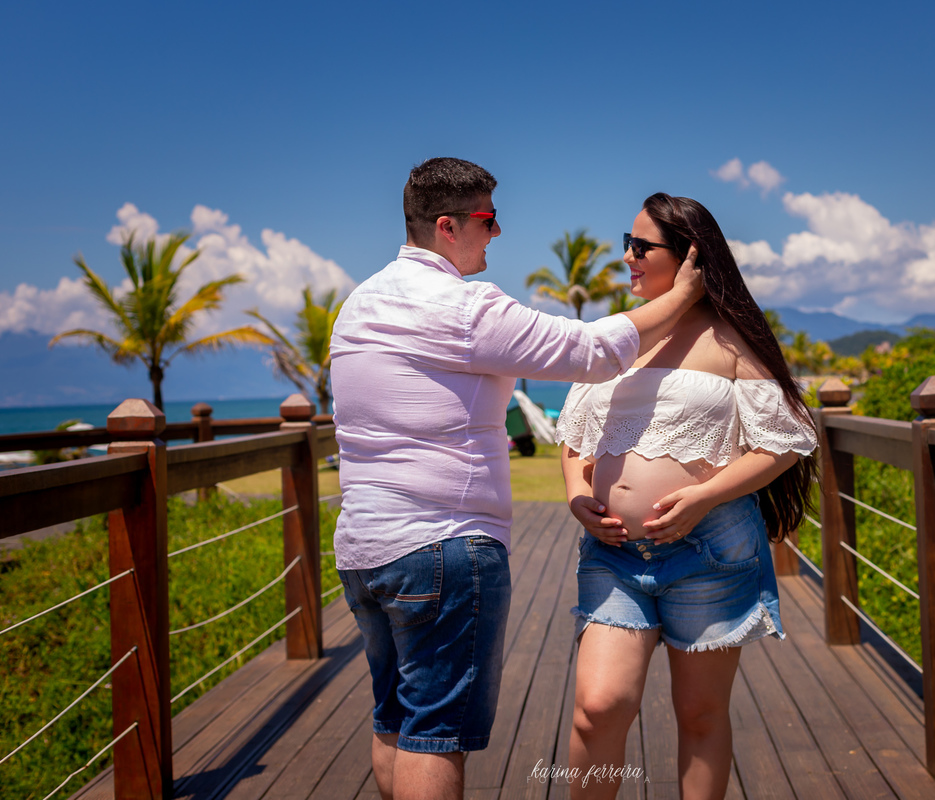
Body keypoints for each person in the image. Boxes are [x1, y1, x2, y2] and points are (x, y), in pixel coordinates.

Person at [328, 159, 704, 800]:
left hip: (364, 550)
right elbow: (590, 351)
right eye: (488, 219)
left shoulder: (358, 304)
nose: (498, 232)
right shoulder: (462, 307)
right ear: (447, 227)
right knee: (435, 734)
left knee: (394, 719)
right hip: (441, 546)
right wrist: (683, 298)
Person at [556, 193, 818, 800]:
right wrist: (575, 495)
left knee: (700, 715)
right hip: (614, 555)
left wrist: (704, 496)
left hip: (711, 552)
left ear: (690, 256)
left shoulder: (729, 340)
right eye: (627, 243)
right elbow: (574, 436)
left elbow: (784, 441)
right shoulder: (616, 338)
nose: (627, 256)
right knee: (598, 707)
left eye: (641, 246)